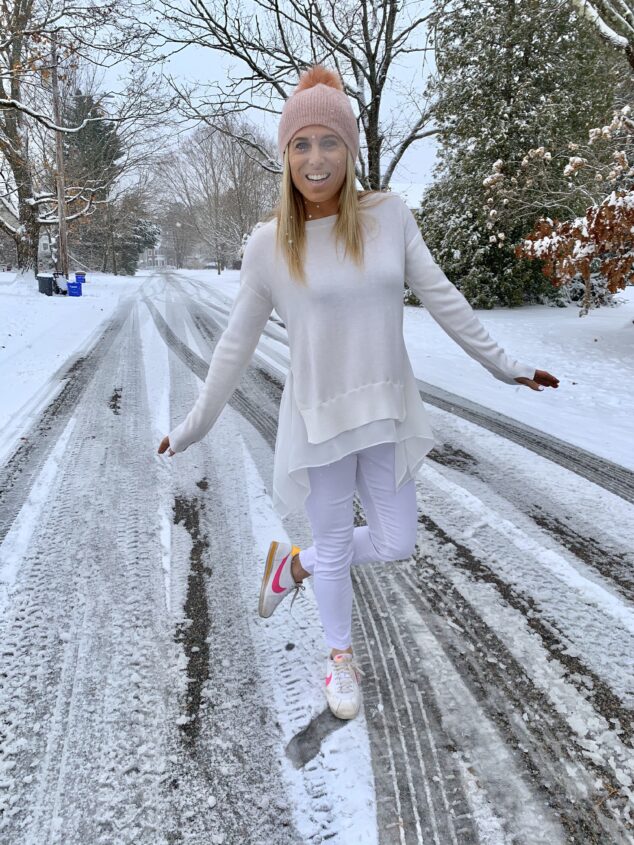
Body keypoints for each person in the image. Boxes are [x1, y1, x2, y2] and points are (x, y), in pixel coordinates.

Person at [158, 65, 559, 721]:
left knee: (398, 540)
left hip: (387, 409)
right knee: (341, 544)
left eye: (329, 142)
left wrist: (505, 366)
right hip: (318, 422)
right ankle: (339, 654)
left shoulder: (389, 217)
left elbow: (444, 298)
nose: (316, 160)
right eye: (301, 145)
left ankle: (295, 565)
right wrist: (196, 422)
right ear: (286, 155)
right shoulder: (268, 247)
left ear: (349, 149)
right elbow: (233, 346)